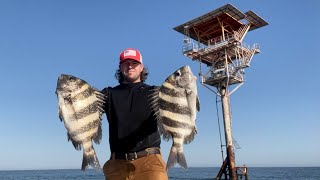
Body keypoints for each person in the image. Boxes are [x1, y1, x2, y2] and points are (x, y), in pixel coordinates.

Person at [102, 48, 168, 180]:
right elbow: (83, 102)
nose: (130, 66)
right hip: (117, 164)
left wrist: (186, 87)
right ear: (120, 67)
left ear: (141, 67)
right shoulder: (108, 94)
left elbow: (180, 101)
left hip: (150, 161)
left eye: (134, 63)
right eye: (126, 63)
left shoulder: (155, 92)